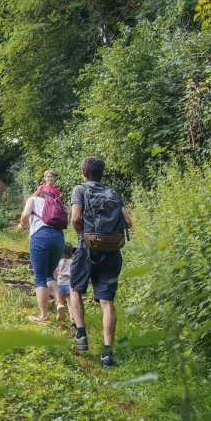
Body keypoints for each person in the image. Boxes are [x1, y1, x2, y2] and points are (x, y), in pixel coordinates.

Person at [69, 157, 132, 369]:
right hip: (112, 251)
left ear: (84, 172)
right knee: (107, 301)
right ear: (102, 173)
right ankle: (107, 355)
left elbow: (75, 219)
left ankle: (81, 335)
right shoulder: (112, 193)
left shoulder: (79, 190)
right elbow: (129, 222)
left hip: (87, 250)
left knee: (75, 289)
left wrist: (84, 236)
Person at [20, 189, 66, 322]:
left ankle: (43, 315)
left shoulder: (32, 199)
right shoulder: (56, 203)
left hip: (40, 236)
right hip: (58, 237)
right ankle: (59, 303)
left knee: (40, 277)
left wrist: (22, 224)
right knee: (49, 274)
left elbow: (26, 215)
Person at [55, 243, 73, 324]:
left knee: (59, 301)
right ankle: (72, 318)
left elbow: (55, 273)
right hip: (70, 284)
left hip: (61, 283)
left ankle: (59, 315)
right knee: (70, 302)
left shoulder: (59, 261)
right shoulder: (73, 261)